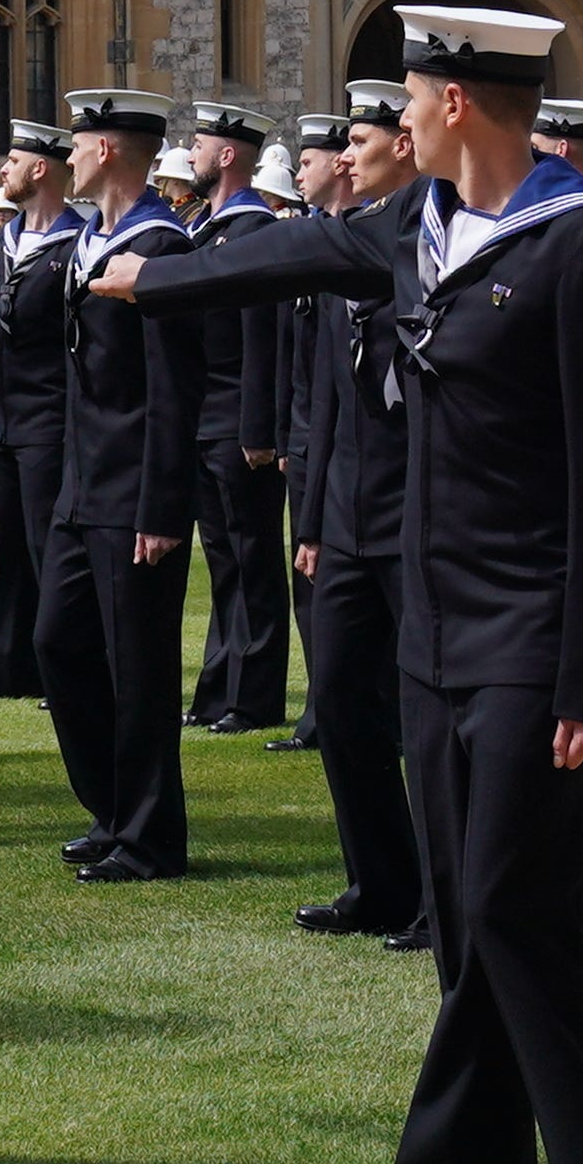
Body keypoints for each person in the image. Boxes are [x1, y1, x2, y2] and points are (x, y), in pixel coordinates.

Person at [162, 6, 583, 1164]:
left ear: (456, 104)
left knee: (512, 919)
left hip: (538, 633)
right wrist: (147, 281)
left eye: (407, 96)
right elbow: (296, 256)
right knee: (476, 940)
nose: (394, 119)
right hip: (436, 629)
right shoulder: (415, 233)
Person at [113, 87, 430, 948]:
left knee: (431, 725)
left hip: (424, 516)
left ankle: (444, 901)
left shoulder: (428, 225)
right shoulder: (358, 233)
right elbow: (327, 401)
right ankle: (381, 883)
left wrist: (158, 278)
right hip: (353, 514)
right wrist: (318, 522)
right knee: (340, 705)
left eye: (360, 139)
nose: (349, 153)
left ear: (407, 144)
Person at [46, 89, 206, 882]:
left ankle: (149, 837)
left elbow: (174, 389)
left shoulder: (161, 247)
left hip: (135, 493)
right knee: (56, 644)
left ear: (106, 149)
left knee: (139, 671)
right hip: (83, 489)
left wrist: (162, 506)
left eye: (77, 142)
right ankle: (113, 809)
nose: (67, 155)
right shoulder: (91, 241)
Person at [175, 101, 298, 738]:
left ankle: (254, 695)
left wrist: (257, 430)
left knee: (252, 561)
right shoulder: (210, 229)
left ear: (227, 155)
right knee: (224, 563)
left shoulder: (253, 233)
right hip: (205, 420)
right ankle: (219, 685)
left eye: (197, 145)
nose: (188, 155)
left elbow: (261, 342)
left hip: (234, 425)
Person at [0, 121, 77, 705]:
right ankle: (1, 666)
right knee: (2, 548)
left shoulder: (77, 244)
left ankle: (53, 664)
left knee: (46, 549)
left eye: (13, 160)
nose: (3, 170)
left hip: (51, 422)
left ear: (40, 168)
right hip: (6, 424)